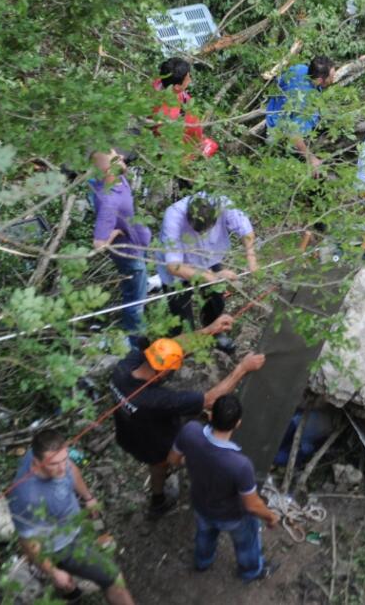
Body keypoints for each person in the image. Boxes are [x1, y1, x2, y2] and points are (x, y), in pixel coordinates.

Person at [110, 323, 266, 519]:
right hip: (152, 441)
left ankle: (158, 500)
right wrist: (242, 368)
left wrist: (210, 329)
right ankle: (171, 494)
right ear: (162, 372)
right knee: (162, 463)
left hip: (127, 432)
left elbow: (170, 345)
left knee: (157, 461)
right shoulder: (157, 400)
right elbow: (209, 399)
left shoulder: (124, 367)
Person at [8, 429, 136, 605]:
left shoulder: (49, 454)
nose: (62, 468)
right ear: (36, 463)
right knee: (114, 579)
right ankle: (66, 581)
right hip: (61, 546)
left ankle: (71, 594)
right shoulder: (26, 496)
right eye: (54, 464)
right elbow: (28, 543)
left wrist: (88, 497)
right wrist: (53, 572)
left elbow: (71, 469)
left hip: (72, 524)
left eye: (64, 459)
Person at [168, 395, 281, 581]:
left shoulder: (190, 431)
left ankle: (202, 562)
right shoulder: (240, 465)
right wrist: (270, 516)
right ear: (238, 423)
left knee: (204, 534)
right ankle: (251, 571)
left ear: (211, 415)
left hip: (200, 504)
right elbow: (252, 505)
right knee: (246, 543)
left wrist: (196, 460)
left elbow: (173, 459)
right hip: (232, 516)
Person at [156, 193, 258, 333]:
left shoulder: (222, 202)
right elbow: (174, 267)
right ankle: (187, 345)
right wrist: (214, 277)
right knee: (181, 316)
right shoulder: (173, 216)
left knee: (215, 301)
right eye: (197, 230)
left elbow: (245, 229)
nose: (202, 233)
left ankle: (215, 335)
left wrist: (251, 258)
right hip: (177, 272)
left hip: (209, 260)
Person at [90, 149, 151, 348]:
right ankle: (136, 344)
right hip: (130, 256)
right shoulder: (109, 202)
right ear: (109, 169)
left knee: (134, 288)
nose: (122, 158)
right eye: (117, 158)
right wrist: (114, 233)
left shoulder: (118, 180)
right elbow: (99, 244)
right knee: (135, 303)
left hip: (137, 247)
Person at [264, 56, 336, 172]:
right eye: (331, 77)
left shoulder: (300, 69)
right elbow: (293, 134)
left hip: (274, 112)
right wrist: (311, 159)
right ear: (318, 80)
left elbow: (279, 82)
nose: (333, 79)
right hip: (280, 133)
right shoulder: (306, 106)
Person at [152, 57, 218, 158]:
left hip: (159, 137)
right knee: (212, 146)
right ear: (177, 87)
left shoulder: (157, 83)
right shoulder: (184, 116)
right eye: (188, 78)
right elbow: (195, 139)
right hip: (176, 147)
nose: (190, 79)